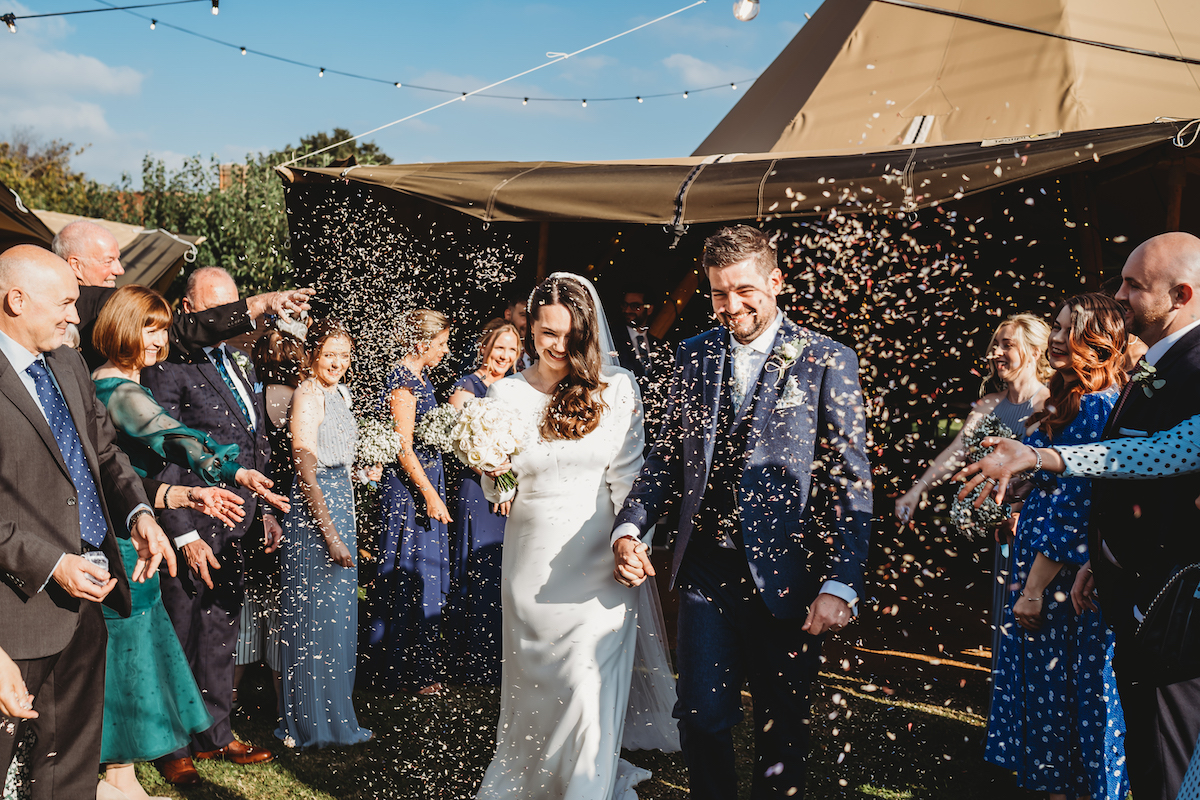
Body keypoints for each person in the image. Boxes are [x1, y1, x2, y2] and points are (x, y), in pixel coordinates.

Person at [612, 225, 873, 799]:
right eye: (717, 294)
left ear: (775, 282)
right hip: (707, 568)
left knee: (782, 722)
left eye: (744, 290)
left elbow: (851, 480)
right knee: (702, 715)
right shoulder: (693, 354)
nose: (731, 306)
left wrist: (844, 580)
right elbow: (667, 456)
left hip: (790, 574)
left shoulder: (829, 359)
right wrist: (631, 525)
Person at [956, 232, 1200, 800]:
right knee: (1148, 755)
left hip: (1175, 604)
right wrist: (1105, 552)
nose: (1118, 296)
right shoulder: (1157, 366)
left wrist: (1044, 456)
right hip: (1131, 586)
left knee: (1169, 763)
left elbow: (1170, 450)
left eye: (1133, 286)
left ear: (1182, 293)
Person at [474, 273, 678, 800]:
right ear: (530, 328)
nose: (558, 346)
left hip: (600, 559)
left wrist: (632, 545)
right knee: (537, 687)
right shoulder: (507, 393)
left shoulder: (618, 389)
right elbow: (501, 481)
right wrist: (492, 468)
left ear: (587, 332)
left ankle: (584, 787)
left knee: (588, 685)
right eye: (546, 333)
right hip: (531, 559)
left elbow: (630, 479)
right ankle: (535, 777)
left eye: (569, 335)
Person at [90, 284, 288, 800]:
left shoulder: (129, 380)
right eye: (149, 328)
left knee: (155, 647)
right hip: (136, 533)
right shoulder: (118, 388)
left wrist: (231, 476)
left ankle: (132, 767)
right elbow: (170, 435)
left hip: (152, 517)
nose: (157, 340)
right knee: (140, 652)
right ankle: (125, 767)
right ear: (122, 329)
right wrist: (229, 470)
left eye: (159, 329)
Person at [0, 245, 177, 800]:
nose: (78, 317)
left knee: (69, 770)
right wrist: (52, 563)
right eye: (67, 303)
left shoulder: (68, 364)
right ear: (15, 300)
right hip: (14, 617)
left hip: (86, 608)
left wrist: (140, 513)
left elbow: (104, 455)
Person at [983, 294, 1129, 800]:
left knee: (1062, 698)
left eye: (1070, 329)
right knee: (1071, 697)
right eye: (1059, 328)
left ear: (1098, 341)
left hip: (1061, 579)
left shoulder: (1093, 404)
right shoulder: (1095, 398)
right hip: (1056, 565)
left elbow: (1073, 510)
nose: (1060, 338)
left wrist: (1033, 590)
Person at [142, 267, 280, 785]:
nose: (225, 319)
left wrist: (262, 509)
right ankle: (170, 743)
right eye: (212, 309)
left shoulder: (239, 360)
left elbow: (255, 443)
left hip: (239, 520)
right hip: (189, 524)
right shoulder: (168, 366)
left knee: (220, 630)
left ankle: (215, 734)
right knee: (178, 633)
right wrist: (183, 531)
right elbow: (161, 456)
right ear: (187, 311)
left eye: (231, 306)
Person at [894, 314, 1051, 670]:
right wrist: (916, 490)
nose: (995, 353)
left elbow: (1057, 476)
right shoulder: (988, 405)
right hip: (1003, 539)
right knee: (1003, 628)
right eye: (995, 345)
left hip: (1038, 535)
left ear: (1036, 350)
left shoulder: (1050, 405)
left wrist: (1022, 511)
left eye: (1006, 344)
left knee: (1036, 631)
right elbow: (955, 454)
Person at [276, 319, 375, 749]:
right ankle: (312, 721)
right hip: (317, 514)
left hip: (341, 502)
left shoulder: (341, 393)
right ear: (313, 354)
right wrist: (331, 535)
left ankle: (337, 711)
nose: (338, 363)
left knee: (338, 615)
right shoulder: (307, 395)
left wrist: (360, 471)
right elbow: (306, 473)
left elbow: (335, 454)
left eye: (345, 355)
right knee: (316, 615)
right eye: (330, 354)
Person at [51, 219, 315, 369]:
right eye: (109, 261)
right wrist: (260, 303)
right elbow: (181, 330)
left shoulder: (47, 301)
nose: (119, 270)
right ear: (75, 264)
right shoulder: (102, 301)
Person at [363, 308, 453, 696]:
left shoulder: (422, 377)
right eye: (442, 343)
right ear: (421, 343)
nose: (446, 351)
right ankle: (397, 670)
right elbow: (403, 446)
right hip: (409, 493)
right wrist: (429, 494)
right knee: (406, 573)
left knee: (424, 576)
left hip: (426, 482)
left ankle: (417, 664)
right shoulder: (402, 381)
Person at [233, 325, 307, 710]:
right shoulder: (303, 400)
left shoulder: (253, 401)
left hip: (257, 505)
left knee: (249, 598)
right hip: (290, 508)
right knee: (281, 601)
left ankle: (229, 696)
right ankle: (284, 699)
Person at [444, 320, 520, 686]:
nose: (505, 356)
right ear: (485, 348)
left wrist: (510, 484)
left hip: (509, 490)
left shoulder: (518, 388)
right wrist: (493, 477)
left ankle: (500, 659)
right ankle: (469, 660)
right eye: (499, 348)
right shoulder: (466, 386)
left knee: (504, 571)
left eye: (512, 350)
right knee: (476, 571)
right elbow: (461, 444)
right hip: (477, 490)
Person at [503, 292, 533, 371]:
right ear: (508, 315)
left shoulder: (541, 352)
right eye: (523, 315)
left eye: (532, 317)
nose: (529, 322)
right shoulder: (488, 346)